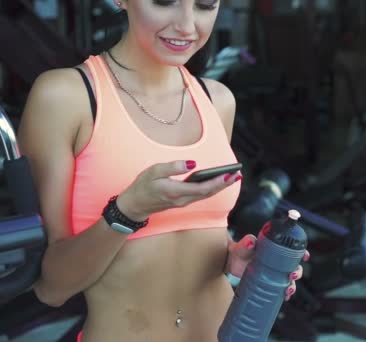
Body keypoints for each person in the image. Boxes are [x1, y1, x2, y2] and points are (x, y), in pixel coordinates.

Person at [17, 0, 309, 340]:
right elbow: (53, 287)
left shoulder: (217, 101)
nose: (187, 25)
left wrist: (232, 257)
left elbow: (196, 232)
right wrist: (128, 211)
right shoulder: (65, 97)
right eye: (164, 2)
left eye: (205, 5)